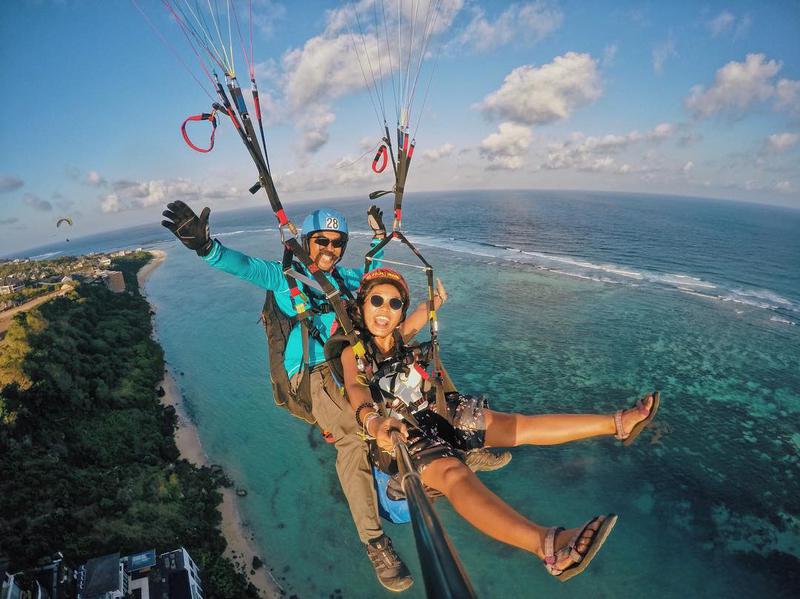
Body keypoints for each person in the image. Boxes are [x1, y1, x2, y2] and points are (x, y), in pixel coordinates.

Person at [161, 201, 509, 591]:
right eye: (322, 240)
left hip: (355, 361)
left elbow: (375, 276)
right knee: (352, 436)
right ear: (308, 241)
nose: (330, 248)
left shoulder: (347, 279)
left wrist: (381, 241)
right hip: (314, 371)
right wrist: (206, 247)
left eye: (337, 242)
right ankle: (375, 543)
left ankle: (457, 442)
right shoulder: (286, 277)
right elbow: (243, 266)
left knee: (418, 372)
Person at [333, 267, 661, 582]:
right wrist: (374, 423)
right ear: (362, 307)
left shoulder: (399, 337)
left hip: (438, 413)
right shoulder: (355, 353)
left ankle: (616, 423)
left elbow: (422, 313)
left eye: (394, 303)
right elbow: (356, 389)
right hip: (400, 432)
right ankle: (548, 546)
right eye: (377, 300)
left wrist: (436, 301)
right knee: (453, 475)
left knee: (518, 427)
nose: (385, 309)